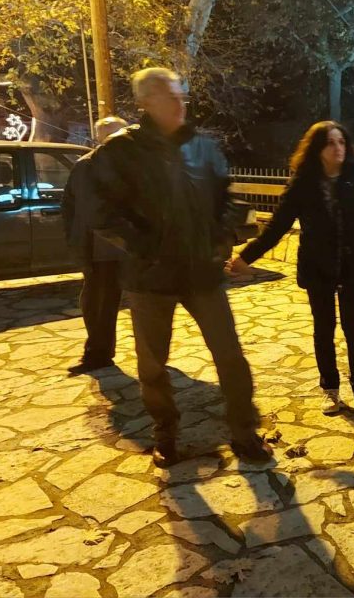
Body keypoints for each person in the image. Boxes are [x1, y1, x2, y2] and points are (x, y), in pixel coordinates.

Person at [91, 67, 270, 468]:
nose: (179, 103)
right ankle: (166, 435)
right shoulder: (121, 152)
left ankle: (244, 433)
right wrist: (145, 248)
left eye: (179, 95)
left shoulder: (202, 147)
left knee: (230, 355)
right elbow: (101, 214)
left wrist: (221, 238)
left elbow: (226, 199)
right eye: (167, 95)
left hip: (201, 272)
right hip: (150, 278)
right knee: (153, 364)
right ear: (145, 102)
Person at [228, 121, 354, 416]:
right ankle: (330, 390)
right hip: (317, 266)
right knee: (324, 329)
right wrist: (247, 257)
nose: (338, 148)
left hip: (352, 265)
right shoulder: (303, 183)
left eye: (341, 142)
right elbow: (278, 226)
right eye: (331, 143)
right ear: (317, 149)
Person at [63, 115, 129, 375]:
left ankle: (152, 355)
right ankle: (99, 353)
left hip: (132, 247)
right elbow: (72, 207)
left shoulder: (138, 165)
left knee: (148, 304)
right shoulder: (87, 167)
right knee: (98, 303)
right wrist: (76, 240)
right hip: (103, 251)